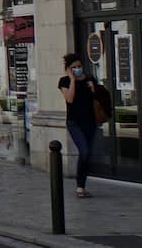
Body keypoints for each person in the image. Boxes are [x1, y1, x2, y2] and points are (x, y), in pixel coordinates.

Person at [58, 53, 104, 198]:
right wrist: (72, 79)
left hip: (90, 121)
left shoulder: (90, 79)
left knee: (87, 153)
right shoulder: (64, 81)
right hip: (74, 123)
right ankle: (79, 187)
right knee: (84, 151)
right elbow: (70, 99)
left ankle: (82, 185)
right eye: (74, 67)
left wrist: (93, 89)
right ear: (68, 69)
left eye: (79, 66)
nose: (78, 69)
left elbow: (100, 99)